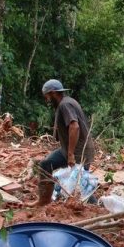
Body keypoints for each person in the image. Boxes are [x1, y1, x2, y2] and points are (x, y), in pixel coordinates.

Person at [27, 79, 95, 207]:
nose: (46, 99)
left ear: (53, 93)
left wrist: (70, 154)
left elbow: (74, 126)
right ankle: (44, 200)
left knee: (80, 185)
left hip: (79, 152)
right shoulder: (66, 102)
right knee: (46, 165)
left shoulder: (65, 105)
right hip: (70, 149)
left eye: (47, 96)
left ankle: (96, 207)